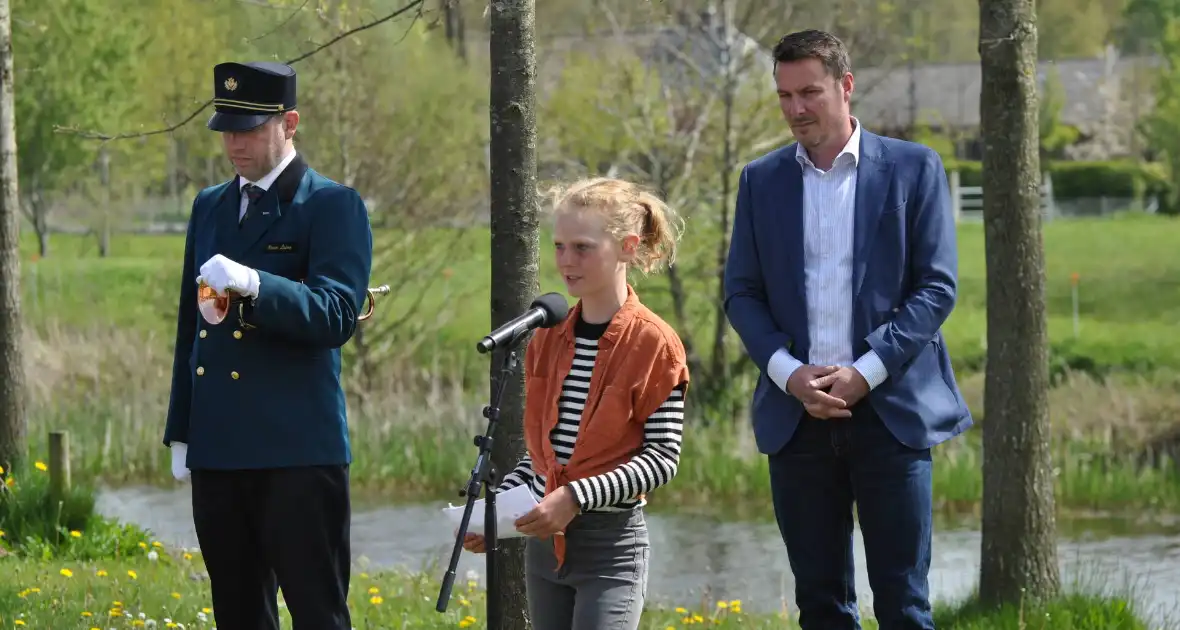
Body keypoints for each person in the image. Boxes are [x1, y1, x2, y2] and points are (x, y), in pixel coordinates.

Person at [723, 30, 973, 630]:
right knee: (821, 605)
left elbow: (936, 287)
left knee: (904, 605)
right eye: (784, 95)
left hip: (892, 416)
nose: (796, 109)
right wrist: (788, 375)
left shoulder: (915, 169)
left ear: (846, 85)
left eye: (809, 92)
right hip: (797, 421)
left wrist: (866, 372)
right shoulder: (760, 180)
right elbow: (741, 293)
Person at [162, 60, 373, 630]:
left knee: (317, 613)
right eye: (227, 129)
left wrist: (258, 286)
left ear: (290, 123)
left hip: (296, 451)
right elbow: (194, 327)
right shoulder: (209, 206)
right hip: (220, 446)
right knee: (238, 614)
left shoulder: (330, 205)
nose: (236, 142)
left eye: (251, 128)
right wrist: (182, 428)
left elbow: (335, 315)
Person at [461, 177, 690, 630]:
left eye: (582, 248)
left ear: (627, 247)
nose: (566, 260)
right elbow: (544, 457)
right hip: (544, 550)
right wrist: (500, 511)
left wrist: (575, 497)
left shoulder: (655, 343)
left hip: (612, 550)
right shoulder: (547, 336)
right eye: (560, 245)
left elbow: (662, 459)